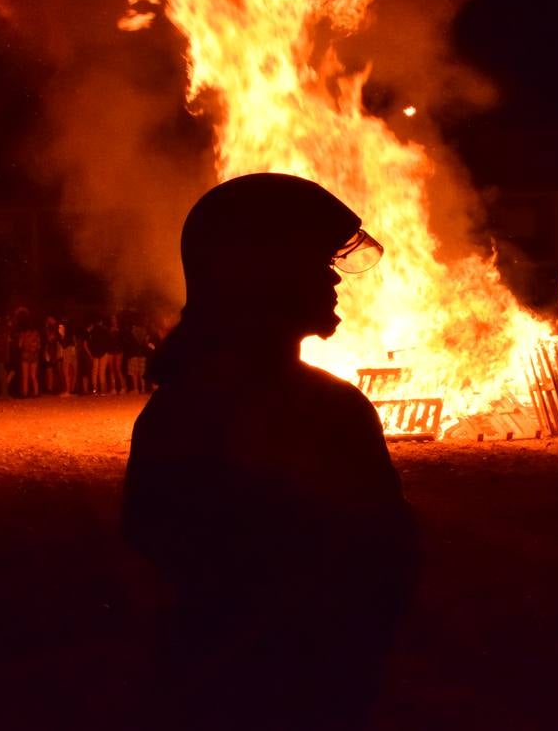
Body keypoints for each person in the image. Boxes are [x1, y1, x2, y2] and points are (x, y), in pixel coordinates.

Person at [124, 173, 418, 731]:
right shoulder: (327, 410)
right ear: (267, 276)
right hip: (300, 685)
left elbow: (149, 538)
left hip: (213, 683)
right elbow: (386, 550)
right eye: (317, 263)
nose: (335, 281)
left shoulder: (176, 408)